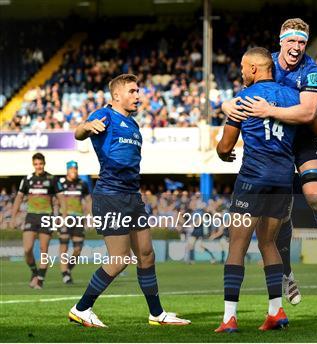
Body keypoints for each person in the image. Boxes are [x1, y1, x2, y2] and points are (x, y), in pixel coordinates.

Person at [222, 18, 317, 305]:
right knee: (280, 215)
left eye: (302, 42)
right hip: (276, 143)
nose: (297, 47)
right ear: (281, 41)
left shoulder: (312, 70)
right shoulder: (267, 64)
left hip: (300, 138)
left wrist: (270, 110)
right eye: (292, 41)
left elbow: (305, 115)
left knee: (315, 196)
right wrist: (229, 105)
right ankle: (287, 274)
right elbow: (241, 98)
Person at [68, 74, 190, 327]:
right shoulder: (105, 115)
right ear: (116, 95)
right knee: (120, 259)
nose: (138, 96)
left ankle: (157, 314)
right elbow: (79, 132)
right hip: (111, 195)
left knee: (146, 254)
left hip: (132, 197)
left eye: (138, 91)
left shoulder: (133, 125)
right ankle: (82, 308)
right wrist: (87, 128)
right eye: (133, 91)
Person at [215, 47, 299, 332]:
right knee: (268, 243)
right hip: (283, 180)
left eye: (242, 66)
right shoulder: (291, 96)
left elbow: (225, 146)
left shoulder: (244, 97)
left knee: (237, 244)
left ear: (253, 68)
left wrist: (222, 153)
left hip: (253, 178)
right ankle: (276, 313)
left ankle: (229, 318)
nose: (240, 71)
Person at [11, 153, 65, 289]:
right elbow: (19, 198)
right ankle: (34, 272)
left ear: (44, 164)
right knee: (27, 249)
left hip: (46, 217)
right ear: (33, 164)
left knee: (43, 250)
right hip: (31, 217)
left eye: (40, 164)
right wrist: (13, 216)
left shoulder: (52, 179)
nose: (38, 166)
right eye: (36, 164)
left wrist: (64, 216)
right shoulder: (27, 179)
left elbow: (61, 199)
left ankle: (40, 280)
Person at [57, 160, 90, 284]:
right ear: (67, 170)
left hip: (79, 219)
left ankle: (67, 269)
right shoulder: (61, 183)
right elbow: (56, 200)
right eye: (72, 169)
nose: (74, 171)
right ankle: (65, 273)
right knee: (64, 246)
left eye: (76, 169)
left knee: (78, 249)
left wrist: (89, 216)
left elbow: (88, 201)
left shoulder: (83, 184)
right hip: (65, 218)